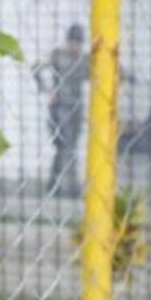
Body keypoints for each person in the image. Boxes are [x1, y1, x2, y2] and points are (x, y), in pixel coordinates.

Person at [33, 24, 89, 197]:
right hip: (59, 108)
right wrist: (47, 89)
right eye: (73, 42)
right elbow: (36, 68)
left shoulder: (84, 59)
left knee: (66, 147)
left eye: (79, 43)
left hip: (77, 108)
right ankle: (72, 188)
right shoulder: (58, 55)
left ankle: (53, 184)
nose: (76, 47)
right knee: (66, 147)